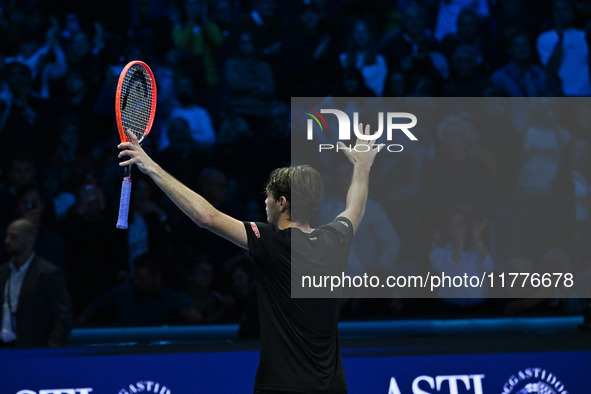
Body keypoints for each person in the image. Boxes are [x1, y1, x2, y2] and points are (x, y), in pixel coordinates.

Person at [117, 123, 382, 392]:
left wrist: (150, 167)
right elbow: (356, 207)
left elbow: (206, 216)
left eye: (268, 197)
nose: (264, 203)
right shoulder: (336, 238)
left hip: (283, 387)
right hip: (333, 387)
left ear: (281, 203)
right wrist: (362, 165)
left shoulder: (272, 241)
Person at [0, 218, 72, 348]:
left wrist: (51, 350)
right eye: (7, 235)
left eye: (13, 236)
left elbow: (63, 317)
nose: (7, 241)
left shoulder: (48, 273)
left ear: (30, 240)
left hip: (34, 349)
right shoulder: (2, 272)